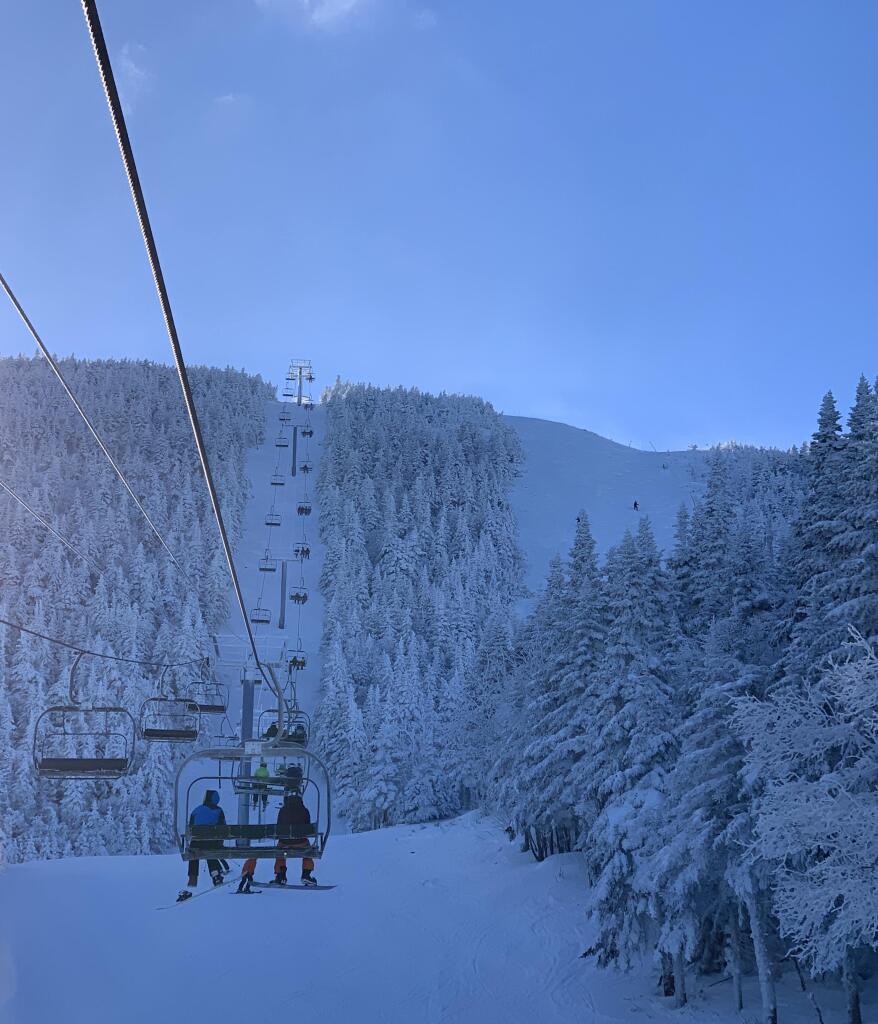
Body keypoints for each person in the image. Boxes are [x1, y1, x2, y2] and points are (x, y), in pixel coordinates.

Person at [177, 789, 226, 902]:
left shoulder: (196, 810)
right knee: (210, 852)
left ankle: (192, 879)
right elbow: (223, 828)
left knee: (194, 853)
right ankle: (216, 875)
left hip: (196, 843)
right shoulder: (219, 811)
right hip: (212, 843)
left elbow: (190, 828)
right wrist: (220, 842)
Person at [272, 792, 317, 887]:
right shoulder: (304, 810)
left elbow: (279, 827)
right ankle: (306, 874)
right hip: (300, 842)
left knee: (280, 851)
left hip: (284, 843)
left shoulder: (283, 810)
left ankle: (281, 875)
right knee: (308, 850)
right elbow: (307, 828)